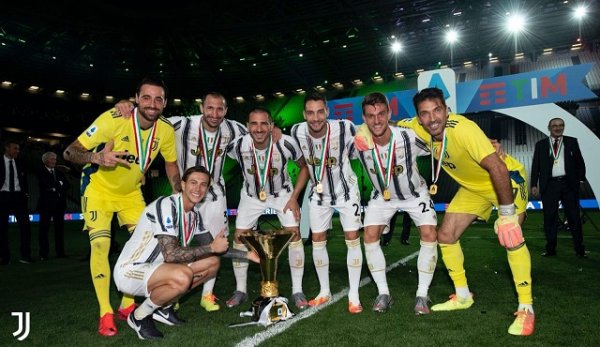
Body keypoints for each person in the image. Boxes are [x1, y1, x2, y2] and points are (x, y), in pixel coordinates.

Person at [394, 87, 534, 336]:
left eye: (437, 110)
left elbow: (498, 169)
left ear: (447, 110)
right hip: (473, 188)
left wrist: (507, 214)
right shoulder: (415, 127)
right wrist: (363, 130)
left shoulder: (463, 129)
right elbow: (387, 123)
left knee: (511, 237)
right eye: (424, 114)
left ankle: (526, 307)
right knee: (445, 236)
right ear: (418, 117)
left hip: (506, 179)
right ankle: (462, 295)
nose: (432, 118)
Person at [63, 77, 181, 337]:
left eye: (158, 98)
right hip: (98, 190)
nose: (152, 103)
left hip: (131, 194)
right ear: (136, 99)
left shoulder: (165, 129)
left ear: (165, 103)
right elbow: (70, 152)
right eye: (146, 97)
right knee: (101, 244)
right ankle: (105, 312)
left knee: (150, 246)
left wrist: (178, 193)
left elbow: (171, 163)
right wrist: (96, 156)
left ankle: (127, 304)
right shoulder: (113, 119)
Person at [116, 92, 248, 312]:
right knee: (169, 245)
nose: (214, 114)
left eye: (219, 109)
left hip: (214, 195)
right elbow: (150, 117)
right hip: (187, 194)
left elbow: (257, 130)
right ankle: (159, 290)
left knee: (215, 244)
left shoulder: (233, 128)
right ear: (201, 108)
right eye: (210, 108)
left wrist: (273, 130)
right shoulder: (181, 124)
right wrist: (128, 105)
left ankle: (207, 295)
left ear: (225, 111)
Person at [114, 166, 259, 340]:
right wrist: (211, 248)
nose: (198, 189)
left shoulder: (194, 214)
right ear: (182, 185)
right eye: (193, 183)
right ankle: (139, 316)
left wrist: (248, 255)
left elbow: (214, 248)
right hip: (130, 270)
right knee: (183, 276)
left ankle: (164, 308)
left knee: (212, 263)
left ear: (207, 189)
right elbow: (171, 254)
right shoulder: (166, 205)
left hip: (158, 269)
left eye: (203, 184)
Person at [354, 92, 438, 314]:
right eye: (371, 115)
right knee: (370, 235)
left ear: (389, 113)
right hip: (382, 196)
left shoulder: (408, 137)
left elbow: (438, 140)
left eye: (381, 114)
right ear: (363, 118)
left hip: (414, 193)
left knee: (429, 234)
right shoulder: (358, 142)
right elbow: (329, 140)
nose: (377, 120)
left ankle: (422, 295)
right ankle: (383, 293)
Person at [225, 106, 309, 310]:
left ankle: (297, 290)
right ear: (247, 126)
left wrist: (294, 198)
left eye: (264, 123)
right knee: (239, 237)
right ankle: (241, 289)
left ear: (271, 126)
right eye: (254, 123)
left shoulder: (287, 143)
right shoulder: (237, 146)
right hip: (252, 196)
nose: (259, 128)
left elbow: (305, 166)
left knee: (294, 234)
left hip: (282, 195)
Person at [290, 92, 364, 313]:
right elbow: (300, 160)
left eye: (320, 112)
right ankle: (324, 291)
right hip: (319, 195)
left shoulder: (345, 127)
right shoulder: (296, 131)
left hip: (346, 192)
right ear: (304, 114)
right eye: (310, 113)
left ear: (327, 112)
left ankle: (354, 294)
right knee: (317, 239)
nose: (315, 118)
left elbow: (366, 136)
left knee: (352, 238)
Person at [530, 118, 587, 257]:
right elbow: (535, 166)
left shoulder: (572, 141)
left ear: (563, 127)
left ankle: (580, 250)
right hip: (549, 185)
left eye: (561, 125)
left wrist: (580, 180)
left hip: (569, 184)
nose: (558, 128)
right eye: (554, 125)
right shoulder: (541, 144)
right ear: (549, 127)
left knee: (574, 217)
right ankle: (550, 250)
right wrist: (533, 184)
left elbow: (580, 163)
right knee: (549, 218)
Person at [0, 140, 32, 265]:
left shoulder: (21, 162)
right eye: (15, 148)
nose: (17, 151)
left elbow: (24, 181)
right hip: (3, 197)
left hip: (19, 197)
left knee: (26, 227)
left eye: (18, 149)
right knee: (2, 229)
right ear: (6, 148)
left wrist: (25, 195)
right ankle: (4, 257)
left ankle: (25, 256)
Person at [37, 151, 70, 260]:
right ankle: (44, 254)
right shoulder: (40, 171)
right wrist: (59, 185)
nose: (54, 161)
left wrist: (56, 187)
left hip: (59, 205)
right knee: (44, 230)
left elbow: (67, 185)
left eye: (55, 159)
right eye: (52, 159)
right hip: (45, 206)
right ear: (45, 160)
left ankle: (60, 253)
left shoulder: (59, 172)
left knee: (59, 230)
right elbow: (44, 185)